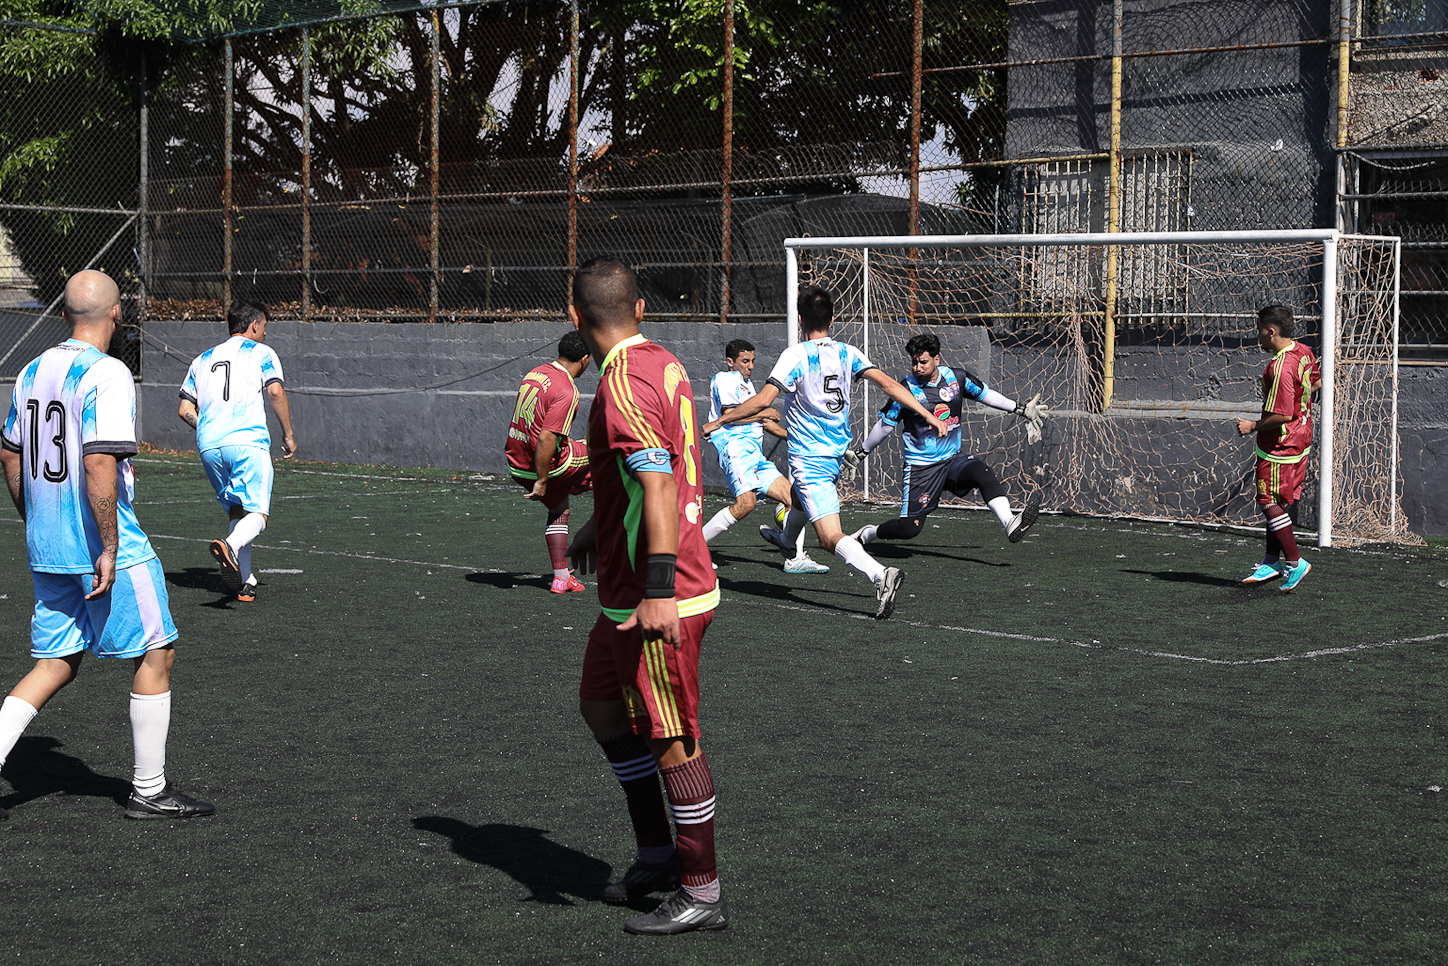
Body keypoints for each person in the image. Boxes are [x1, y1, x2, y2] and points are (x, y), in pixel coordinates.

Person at [0, 270, 214, 822]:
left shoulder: (30, 370)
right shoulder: (109, 372)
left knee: (56, 661)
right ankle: (149, 790)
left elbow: (9, 453)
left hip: (47, 545)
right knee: (157, 650)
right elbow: (99, 460)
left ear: (63, 313)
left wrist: (35, 520)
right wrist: (110, 548)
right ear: (117, 313)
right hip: (97, 543)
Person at [564, 257, 727, 935]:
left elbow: (657, 480)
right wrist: (597, 528)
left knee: (672, 739)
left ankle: (702, 892)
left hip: (661, 593)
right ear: (639, 309)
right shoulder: (659, 360)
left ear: (575, 316)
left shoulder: (622, 382)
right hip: (630, 587)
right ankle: (658, 854)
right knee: (601, 705)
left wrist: (658, 588)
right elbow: (643, 474)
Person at [701, 285, 949, 620]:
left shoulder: (795, 355)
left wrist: (720, 420)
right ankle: (787, 540)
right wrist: (929, 415)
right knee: (797, 498)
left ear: (800, 320)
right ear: (832, 319)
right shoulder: (849, 352)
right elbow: (890, 385)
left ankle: (880, 575)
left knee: (829, 537)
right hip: (835, 456)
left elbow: (763, 401)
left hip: (811, 459)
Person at [843, 332, 1046, 549]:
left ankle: (1010, 523)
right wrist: (861, 453)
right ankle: (868, 533)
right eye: (914, 363)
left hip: (952, 460)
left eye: (923, 362)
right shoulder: (904, 390)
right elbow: (884, 426)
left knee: (983, 472)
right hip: (921, 468)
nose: (917, 368)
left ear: (937, 359)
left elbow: (986, 395)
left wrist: (1020, 409)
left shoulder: (956, 378)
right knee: (909, 529)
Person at [178, 300, 297, 603]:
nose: (266, 333)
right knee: (258, 514)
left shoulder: (201, 359)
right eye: (264, 326)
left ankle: (244, 582)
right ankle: (230, 546)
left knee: (237, 509)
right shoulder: (261, 352)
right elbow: (275, 391)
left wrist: (207, 427)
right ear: (254, 325)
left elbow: (185, 408)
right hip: (246, 441)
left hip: (209, 445)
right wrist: (288, 435)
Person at [702, 338, 828, 575]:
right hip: (736, 450)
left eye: (752, 361)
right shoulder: (726, 378)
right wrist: (763, 414)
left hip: (755, 456)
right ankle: (692, 550)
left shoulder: (747, 386)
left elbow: (766, 424)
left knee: (794, 498)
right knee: (745, 504)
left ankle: (794, 558)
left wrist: (796, 438)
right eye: (744, 361)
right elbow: (731, 415)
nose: (750, 366)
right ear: (730, 361)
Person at [1236, 304, 1321, 593]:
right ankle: (1271, 561)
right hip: (1300, 438)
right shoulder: (1304, 351)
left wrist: (1252, 426)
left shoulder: (1280, 367)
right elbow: (1316, 383)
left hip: (1280, 445)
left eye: (1259, 330)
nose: (1258, 335)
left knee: (1267, 500)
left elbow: (1283, 415)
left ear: (1271, 332)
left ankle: (1295, 562)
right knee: (1278, 501)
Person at [505, 331, 593, 593]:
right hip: (547, 467)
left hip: (517, 464)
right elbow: (545, 438)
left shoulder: (534, 373)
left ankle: (561, 578)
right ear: (585, 359)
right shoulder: (567, 390)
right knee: (603, 450)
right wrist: (542, 480)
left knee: (559, 507)